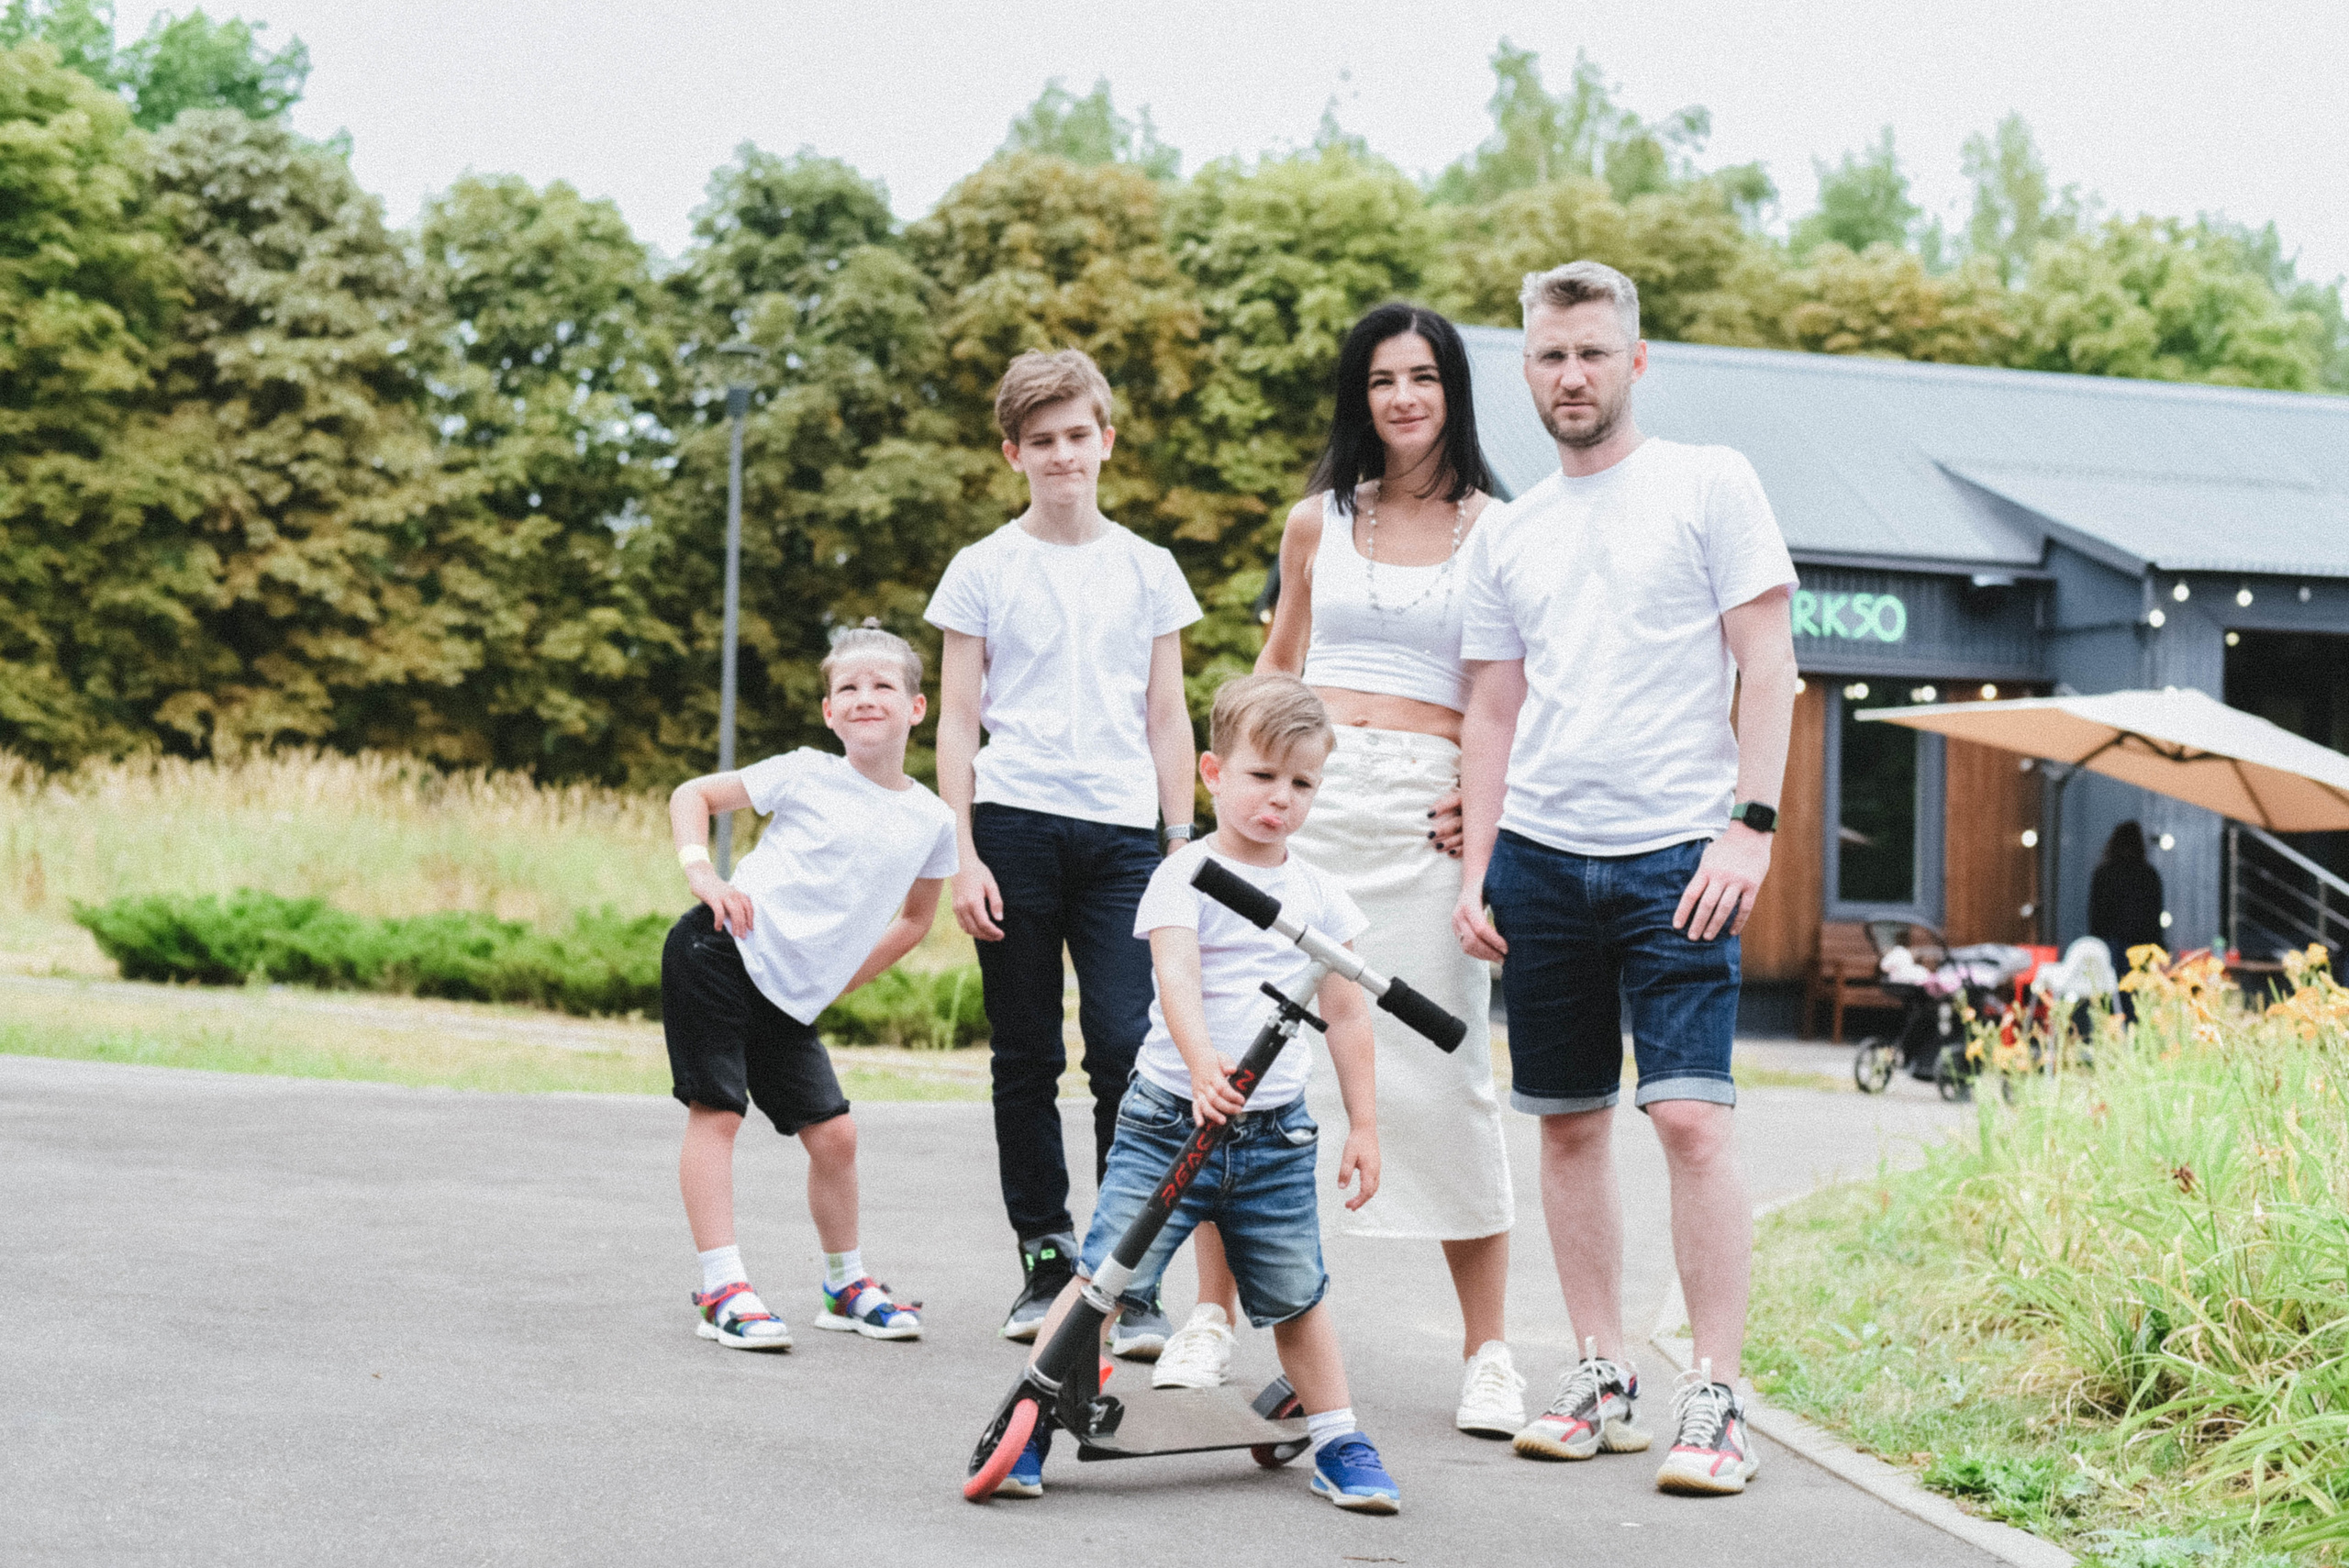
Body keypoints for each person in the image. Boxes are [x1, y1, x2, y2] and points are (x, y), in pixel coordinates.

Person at [1452, 261, 1800, 1497]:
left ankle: (1718, 1392)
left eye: (1593, 352)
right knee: (1568, 1124)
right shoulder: (1511, 528)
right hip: (1543, 859)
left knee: (1694, 1120)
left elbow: (1771, 663)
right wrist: (1482, 866)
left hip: (1677, 856)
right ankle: (1600, 1373)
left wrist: (1749, 827)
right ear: (1528, 370)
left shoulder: (1710, 482)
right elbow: (1490, 710)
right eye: (1550, 356)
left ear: (1636, 359)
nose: (1572, 375)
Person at [1161, 303, 1523, 1439]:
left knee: (1442, 1078)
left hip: (1426, 822)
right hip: (1303, 808)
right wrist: (1229, 809)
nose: (1402, 398)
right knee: (1251, 1060)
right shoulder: (1316, 519)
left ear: (1454, 390)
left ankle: (1491, 1350)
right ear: (1357, 396)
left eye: (1422, 377)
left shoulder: (1503, 529)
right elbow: (1277, 672)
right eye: (1381, 380)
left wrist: (1490, 808)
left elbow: (1518, 696)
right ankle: (1211, 1313)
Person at [994, 673, 1401, 1513]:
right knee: (1105, 1275)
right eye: (1262, 776)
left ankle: (1337, 1437)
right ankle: (1032, 1414)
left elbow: (1350, 1015)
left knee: (1299, 1291)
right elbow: (1175, 975)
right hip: (1170, 1118)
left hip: (1276, 1134)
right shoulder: (1184, 872)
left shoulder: (1322, 894)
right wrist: (1206, 1062)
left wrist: (1364, 1125)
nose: (1279, 800)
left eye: (1301, 784)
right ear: (1214, 773)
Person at [926, 349, 1203, 1354]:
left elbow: (1167, 714)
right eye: (1040, 442)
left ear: (1106, 441)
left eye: (1077, 436)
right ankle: (1043, 1256)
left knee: (1132, 1051)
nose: (1061, 455)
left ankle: (1123, 1273)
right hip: (1013, 826)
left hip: (1127, 839)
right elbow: (957, 722)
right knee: (1027, 1050)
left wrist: (1178, 848)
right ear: (1013, 453)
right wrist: (963, 849)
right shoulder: (983, 567)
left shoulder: (1147, 567)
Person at [662, 623, 955, 1351]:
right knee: (718, 1112)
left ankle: (845, 1282)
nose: (864, 698)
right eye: (847, 688)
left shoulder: (934, 819)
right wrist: (703, 872)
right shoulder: (803, 771)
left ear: (916, 708)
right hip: (718, 953)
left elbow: (916, 920)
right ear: (829, 712)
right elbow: (691, 793)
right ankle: (723, 1286)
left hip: (791, 997)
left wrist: (836, 980)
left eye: (883, 685)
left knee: (836, 1136)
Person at [2089, 819, 2165, 1019]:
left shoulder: (2103, 873)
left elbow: (2095, 915)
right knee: (2138, 1003)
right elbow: (2154, 916)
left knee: (2109, 1001)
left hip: (2111, 944)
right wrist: (2158, 948)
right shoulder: (2149, 875)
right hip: (2140, 946)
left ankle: (2111, 1039)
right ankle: (2134, 1042)